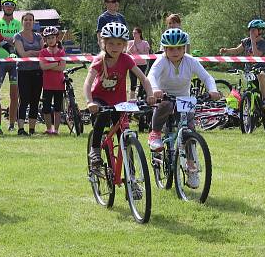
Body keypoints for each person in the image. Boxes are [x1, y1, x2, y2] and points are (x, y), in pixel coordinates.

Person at [84, 22, 154, 167]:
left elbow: (143, 78)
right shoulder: (99, 61)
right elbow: (87, 84)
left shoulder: (126, 59)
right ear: (104, 44)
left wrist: (150, 94)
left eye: (118, 44)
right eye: (111, 43)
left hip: (119, 102)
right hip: (100, 99)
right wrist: (89, 102)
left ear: (124, 45)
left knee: (124, 132)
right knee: (102, 118)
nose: (115, 47)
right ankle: (95, 149)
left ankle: (131, 176)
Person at [147, 28, 221, 152]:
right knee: (165, 105)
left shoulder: (190, 61)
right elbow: (151, 76)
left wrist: (212, 90)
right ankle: (155, 133)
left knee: (190, 130)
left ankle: (190, 161)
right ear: (164, 49)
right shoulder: (161, 60)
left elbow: (206, 77)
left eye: (179, 48)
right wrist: (155, 89)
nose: (175, 52)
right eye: (171, 48)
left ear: (184, 48)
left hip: (184, 98)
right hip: (165, 96)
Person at [219, 19, 265, 101]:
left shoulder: (263, 43)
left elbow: (256, 55)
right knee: (249, 89)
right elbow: (237, 50)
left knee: (261, 76)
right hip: (249, 68)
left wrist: (253, 41)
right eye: (250, 30)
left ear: (260, 31)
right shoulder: (246, 41)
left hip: (261, 67)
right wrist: (226, 50)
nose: (251, 32)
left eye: (254, 30)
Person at [0, 0, 22, 131]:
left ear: (14, 7)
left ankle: (11, 124)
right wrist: (11, 39)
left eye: (11, 4)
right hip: (0, 61)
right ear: (3, 7)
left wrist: (5, 39)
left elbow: (19, 40)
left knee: (14, 95)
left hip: (15, 61)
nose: (9, 6)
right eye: (6, 4)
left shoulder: (18, 23)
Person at [14, 13, 44, 136]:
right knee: (24, 99)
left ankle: (32, 129)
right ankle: (21, 128)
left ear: (33, 22)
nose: (28, 22)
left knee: (35, 100)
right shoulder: (18, 36)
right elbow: (22, 54)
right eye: (26, 20)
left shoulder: (38, 36)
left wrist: (30, 52)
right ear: (22, 22)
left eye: (30, 20)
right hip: (23, 71)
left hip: (38, 71)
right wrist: (34, 52)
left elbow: (44, 53)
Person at [38, 26, 66, 135]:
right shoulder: (43, 52)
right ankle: (49, 128)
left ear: (56, 38)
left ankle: (56, 130)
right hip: (47, 85)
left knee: (58, 109)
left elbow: (62, 67)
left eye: (52, 37)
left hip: (59, 84)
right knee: (46, 108)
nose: (50, 40)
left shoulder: (61, 52)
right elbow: (42, 67)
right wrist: (55, 63)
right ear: (45, 39)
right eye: (48, 38)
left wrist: (49, 65)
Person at [127, 26, 151, 100]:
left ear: (139, 34)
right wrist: (133, 46)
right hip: (132, 65)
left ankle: (140, 97)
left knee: (142, 81)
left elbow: (146, 53)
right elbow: (127, 52)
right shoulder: (130, 42)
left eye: (135, 33)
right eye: (133, 33)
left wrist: (138, 50)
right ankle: (131, 99)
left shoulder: (145, 43)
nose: (134, 34)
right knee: (133, 81)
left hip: (142, 65)